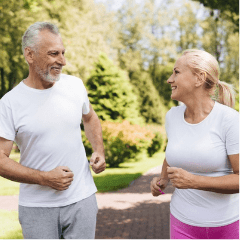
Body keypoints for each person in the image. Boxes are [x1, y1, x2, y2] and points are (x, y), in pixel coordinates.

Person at [0, 22, 106, 240]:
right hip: (37, 208)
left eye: (63, 53)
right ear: (30, 55)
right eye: (53, 54)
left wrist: (99, 151)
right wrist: (44, 178)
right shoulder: (10, 103)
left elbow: (90, 118)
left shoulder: (75, 86)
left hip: (82, 200)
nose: (63, 61)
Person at [150, 49, 239, 239]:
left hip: (227, 225)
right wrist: (163, 179)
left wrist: (194, 182)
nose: (169, 79)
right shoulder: (172, 116)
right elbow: (174, 151)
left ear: (199, 78)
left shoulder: (229, 119)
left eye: (176, 72)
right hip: (182, 222)